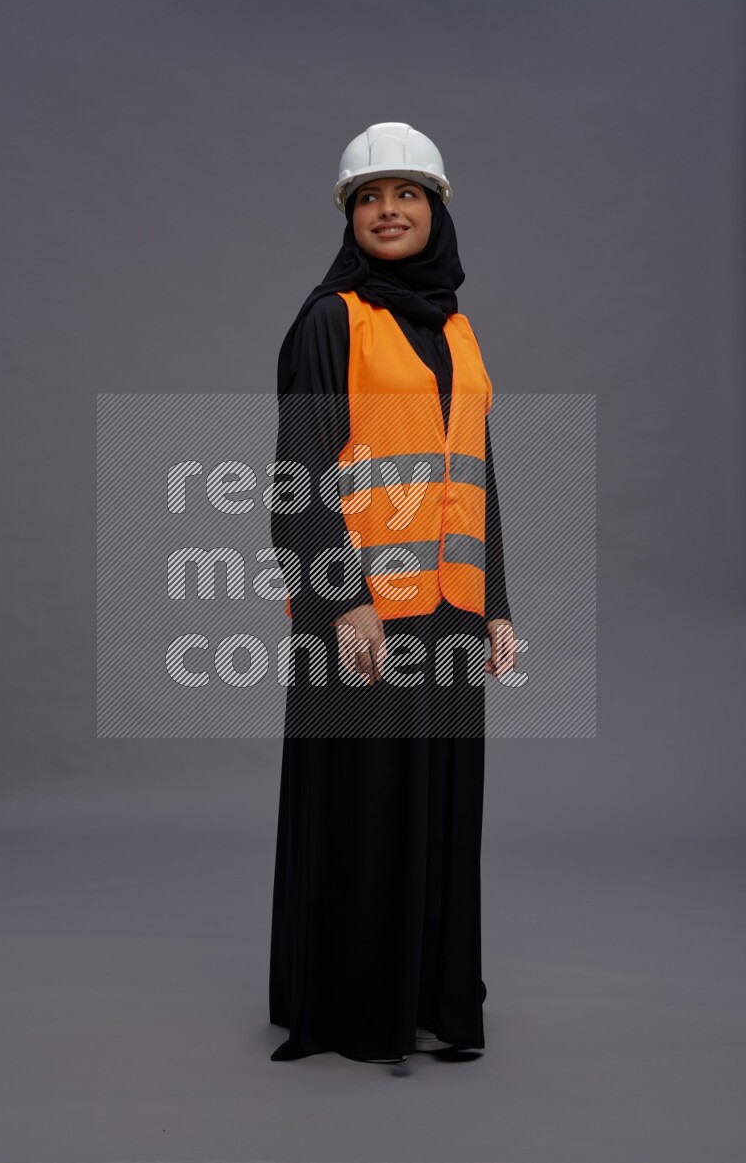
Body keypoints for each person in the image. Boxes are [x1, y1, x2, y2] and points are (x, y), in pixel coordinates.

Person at [268, 122, 517, 1066]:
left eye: (406, 194)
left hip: (448, 612)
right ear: (350, 215)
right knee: (365, 806)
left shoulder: (458, 329)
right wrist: (344, 604)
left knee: (441, 805)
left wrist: (497, 600)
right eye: (370, 197)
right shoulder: (331, 320)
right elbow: (300, 473)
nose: (388, 210)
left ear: (436, 209)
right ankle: (351, 1005)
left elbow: (476, 472)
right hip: (364, 616)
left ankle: (429, 995)